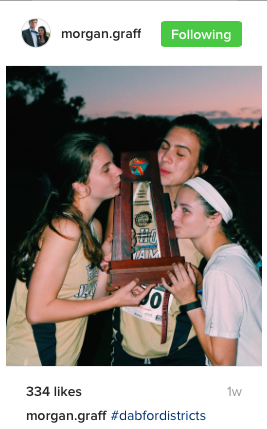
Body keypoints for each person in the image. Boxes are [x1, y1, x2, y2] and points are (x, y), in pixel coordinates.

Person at [6, 133, 153, 366]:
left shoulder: (92, 227)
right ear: (81, 186)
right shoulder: (65, 229)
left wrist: (106, 256)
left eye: (114, 163)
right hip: (34, 361)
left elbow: (92, 300)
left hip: (63, 361)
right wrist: (114, 302)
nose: (118, 170)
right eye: (107, 169)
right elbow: (37, 312)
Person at [110, 114, 222, 366]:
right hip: (125, 350)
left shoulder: (205, 216)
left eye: (181, 154)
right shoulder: (127, 196)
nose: (166, 157)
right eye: (164, 146)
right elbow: (108, 267)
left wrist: (197, 281)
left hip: (181, 353)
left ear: (199, 169)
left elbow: (225, 283)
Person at [162, 175, 262, 366]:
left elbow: (223, 363)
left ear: (214, 218)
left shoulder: (220, 272)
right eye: (175, 206)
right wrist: (200, 289)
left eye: (185, 210)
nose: (173, 215)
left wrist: (189, 301)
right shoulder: (235, 256)